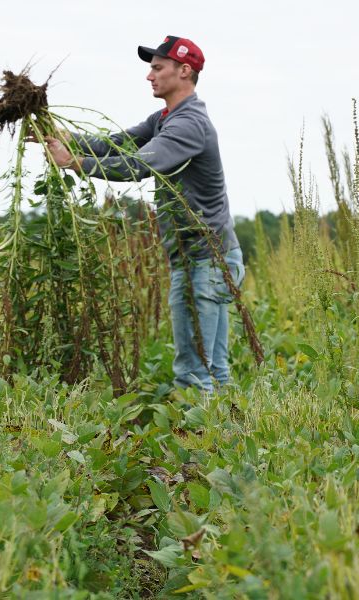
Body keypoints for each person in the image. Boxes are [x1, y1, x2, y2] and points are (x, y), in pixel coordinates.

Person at [39, 35, 243, 392]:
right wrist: (63, 136)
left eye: (157, 68)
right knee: (214, 371)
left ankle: (200, 445)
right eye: (151, 68)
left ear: (184, 71)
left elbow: (139, 165)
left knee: (195, 373)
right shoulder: (166, 118)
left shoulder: (188, 124)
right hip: (203, 257)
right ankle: (226, 439)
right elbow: (116, 143)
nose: (150, 76)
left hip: (205, 260)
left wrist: (76, 164)